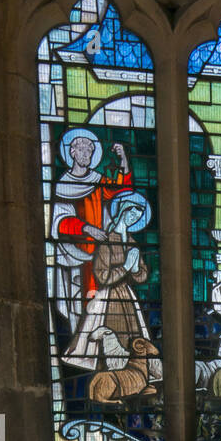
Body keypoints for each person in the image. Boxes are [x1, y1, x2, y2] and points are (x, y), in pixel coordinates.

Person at [50, 130, 134, 334]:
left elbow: (122, 190)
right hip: (74, 255)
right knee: (79, 306)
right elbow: (60, 221)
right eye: (82, 150)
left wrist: (123, 159)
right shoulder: (63, 185)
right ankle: (82, 344)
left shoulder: (97, 180)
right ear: (72, 153)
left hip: (99, 254)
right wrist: (87, 228)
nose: (86, 154)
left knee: (101, 305)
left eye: (90, 151)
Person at [63, 192, 153, 370]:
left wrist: (136, 269)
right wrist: (125, 268)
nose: (133, 219)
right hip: (108, 297)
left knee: (132, 334)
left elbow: (142, 274)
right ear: (123, 210)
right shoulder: (107, 242)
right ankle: (109, 369)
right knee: (108, 332)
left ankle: (131, 369)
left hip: (127, 296)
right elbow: (102, 276)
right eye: (132, 214)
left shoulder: (132, 243)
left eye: (137, 217)